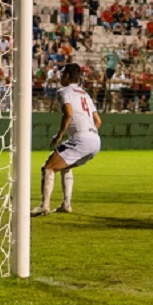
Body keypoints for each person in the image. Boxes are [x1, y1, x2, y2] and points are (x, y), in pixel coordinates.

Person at [33, 63, 102, 215]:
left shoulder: (64, 91)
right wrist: (88, 133)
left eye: (62, 73)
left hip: (81, 139)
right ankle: (66, 205)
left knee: (48, 167)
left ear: (67, 76)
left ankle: (44, 206)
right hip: (95, 141)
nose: (60, 76)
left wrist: (59, 135)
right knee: (65, 166)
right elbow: (98, 121)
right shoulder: (85, 94)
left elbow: (68, 113)